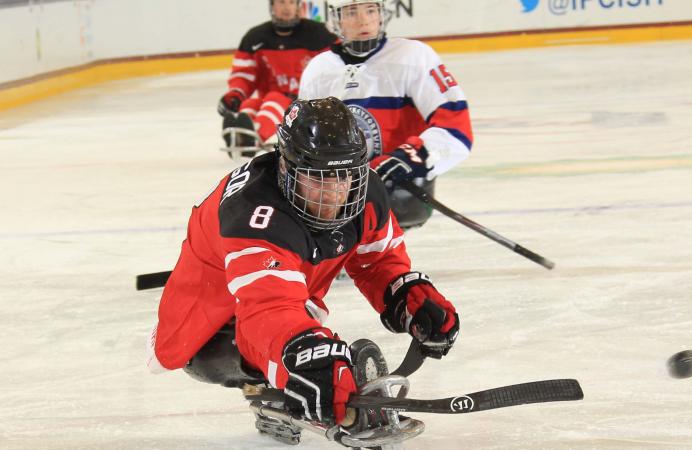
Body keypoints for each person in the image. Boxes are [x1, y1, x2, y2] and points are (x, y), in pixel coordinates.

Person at [147, 97, 460, 442]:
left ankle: (296, 372)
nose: (334, 193)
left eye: (344, 177)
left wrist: (408, 297)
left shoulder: (365, 189)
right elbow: (266, 309)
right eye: (318, 178)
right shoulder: (254, 214)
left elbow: (379, 260)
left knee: (302, 343)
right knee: (213, 354)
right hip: (214, 304)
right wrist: (303, 355)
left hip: (290, 283)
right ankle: (267, 388)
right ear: (285, 167)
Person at [297, 0, 473, 229]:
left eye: (371, 10)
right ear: (336, 19)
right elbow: (303, 140)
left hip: (401, 193)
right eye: (352, 12)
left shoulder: (413, 56)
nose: (364, 20)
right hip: (338, 198)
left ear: (382, 13)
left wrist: (410, 157)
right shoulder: (319, 69)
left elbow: (457, 128)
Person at [218, 0, 337, 149]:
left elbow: (335, 66)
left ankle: (254, 136)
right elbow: (243, 74)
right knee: (250, 104)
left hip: (307, 105)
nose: (287, 7)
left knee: (275, 99)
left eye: (291, 2)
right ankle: (240, 135)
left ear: (298, 6)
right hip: (271, 100)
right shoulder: (255, 37)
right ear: (272, 6)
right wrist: (235, 95)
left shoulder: (318, 34)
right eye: (281, 2)